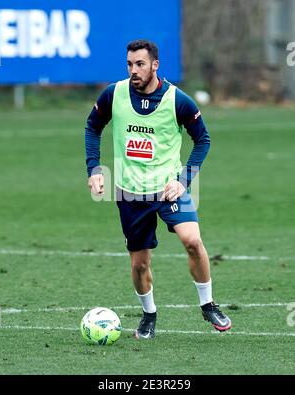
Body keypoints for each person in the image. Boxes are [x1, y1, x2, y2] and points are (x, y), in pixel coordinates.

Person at [85, 39, 231, 339]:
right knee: (140, 264)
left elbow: (202, 139)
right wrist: (95, 169)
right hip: (129, 193)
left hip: (169, 189)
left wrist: (183, 180)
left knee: (192, 241)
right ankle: (149, 315)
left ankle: (208, 305)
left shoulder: (178, 101)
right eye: (129, 64)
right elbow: (92, 127)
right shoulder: (115, 94)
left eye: (140, 64)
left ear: (155, 65)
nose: (133, 70)